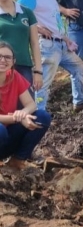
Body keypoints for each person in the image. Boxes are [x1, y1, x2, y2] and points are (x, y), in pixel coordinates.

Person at [18, 0, 83, 112]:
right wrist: (37, 27)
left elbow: (54, 20)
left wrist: (66, 38)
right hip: (47, 45)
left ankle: (79, 102)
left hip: (61, 43)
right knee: (42, 83)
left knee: (79, 67)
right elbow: (18, 14)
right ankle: (38, 113)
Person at [0, 41, 51, 170]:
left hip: (8, 136)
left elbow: (31, 104)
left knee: (42, 117)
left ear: (13, 61)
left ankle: (17, 160)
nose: (3, 60)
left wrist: (24, 113)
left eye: (7, 57)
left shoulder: (14, 76)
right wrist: (18, 118)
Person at [0, 0, 43, 97]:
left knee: (27, 108)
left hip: (24, 67)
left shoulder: (27, 12)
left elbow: (34, 43)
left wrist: (38, 71)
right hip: (2, 68)